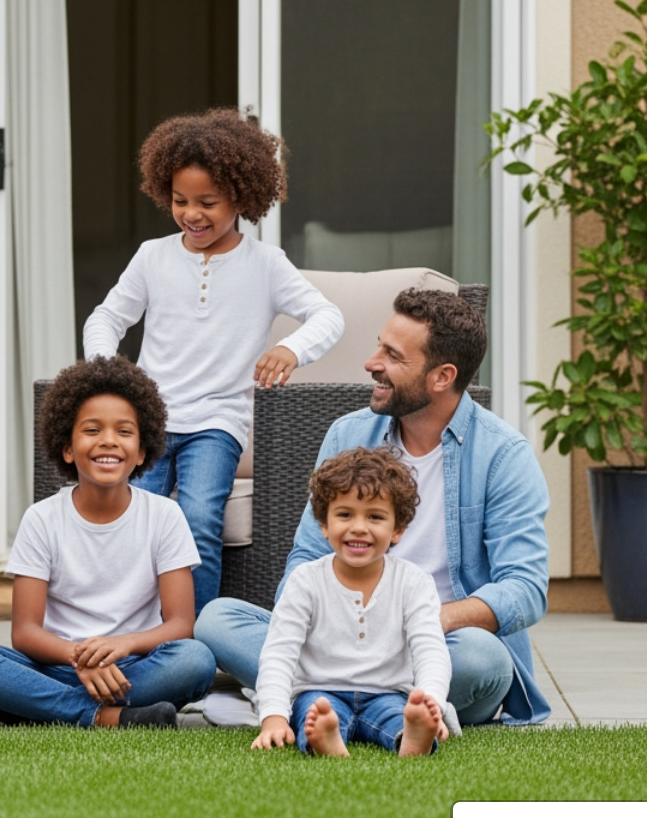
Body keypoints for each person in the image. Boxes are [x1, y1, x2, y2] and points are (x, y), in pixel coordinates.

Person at [196, 289, 551, 729]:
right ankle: (379, 711)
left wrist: (425, 622)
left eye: (392, 355)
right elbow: (308, 554)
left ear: (442, 377)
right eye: (379, 345)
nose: (371, 362)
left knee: (484, 659)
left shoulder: (504, 456)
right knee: (217, 619)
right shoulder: (348, 435)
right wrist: (308, 622)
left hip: (436, 645)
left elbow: (525, 589)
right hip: (337, 639)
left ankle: (307, 699)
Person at [81, 108, 344, 613]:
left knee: (199, 518)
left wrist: (292, 348)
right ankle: (126, 633)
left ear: (242, 197)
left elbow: (326, 316)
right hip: (148, 419)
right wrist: (105, 366)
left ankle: (192, 642)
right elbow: (107, 318)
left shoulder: (265, 264)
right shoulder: (152, 257)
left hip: (218, 422)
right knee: (132, 518)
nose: (192, 214)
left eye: (208, 202)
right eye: (180, 201)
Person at [0, 355, 215, 729]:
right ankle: (105, 717)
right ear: (67, 448)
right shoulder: (42, 518)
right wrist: (78, 657)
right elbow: (25, 632)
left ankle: (30, 709)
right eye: (92, 430)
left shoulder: (165, 515)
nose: (109, 442)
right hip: (56, 665)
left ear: (143, 451)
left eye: (124, 431)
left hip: (131, 669)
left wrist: (125, 644)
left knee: (196, 661)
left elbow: (181, 624)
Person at [251, 447, 450, 757]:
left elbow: (431, 649)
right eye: (345, 514)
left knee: (401, 716)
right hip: (320, 692)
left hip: (387, 693)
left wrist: (431, 701)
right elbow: (279, 652)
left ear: (398, 529)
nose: (359, 527)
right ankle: (326, 740)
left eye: (375, 516)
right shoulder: (305, 580)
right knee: (314, 715)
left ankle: (413, 739)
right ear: (324, 525)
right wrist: (274, 717)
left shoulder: (414, 581)